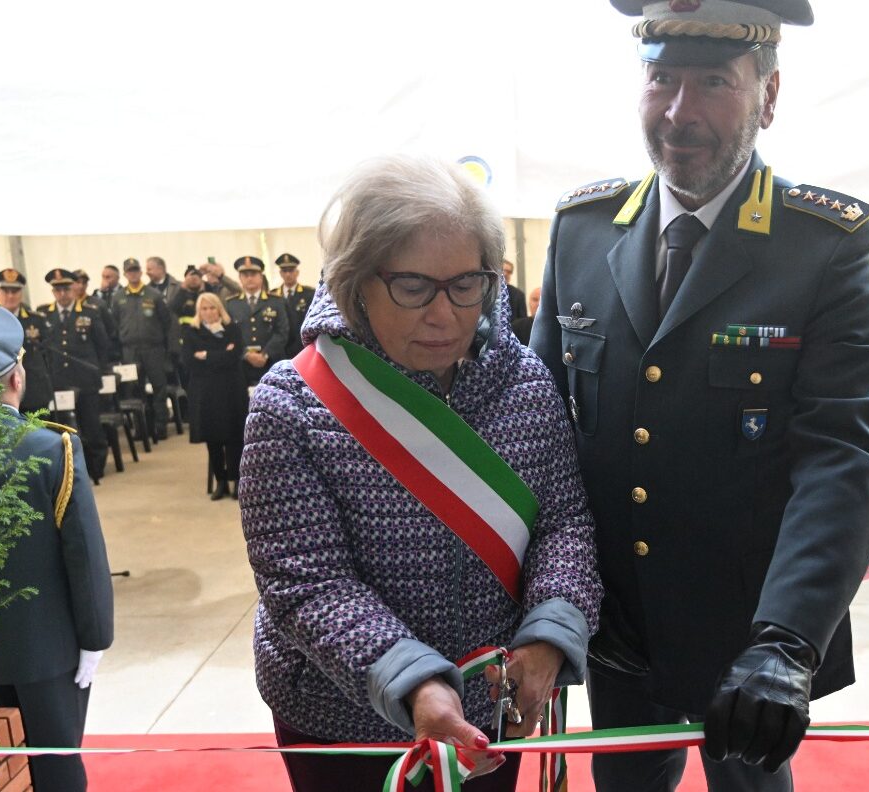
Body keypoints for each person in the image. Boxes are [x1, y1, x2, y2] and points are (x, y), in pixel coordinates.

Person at [530, 2, 869, 788]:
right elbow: (535, 430)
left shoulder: (822, 249)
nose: (679, 111)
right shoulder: (584, 230)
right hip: (616, 630)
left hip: (748, 643)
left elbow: (844, 457)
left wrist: (788, 641)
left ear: (768, 97)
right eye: (661, 77)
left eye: (713, 82)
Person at [239, 155, 601, 791]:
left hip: (490, 714)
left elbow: (564, 520)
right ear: (354, 282)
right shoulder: (292, 404)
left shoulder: (525, 381)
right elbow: (306, 579)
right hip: (342, 719)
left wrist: (550, 629)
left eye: (468, 284)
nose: (446, 315)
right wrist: (411, 680)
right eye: (413, 287)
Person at [0, 306, 114, 792]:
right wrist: (96, 637)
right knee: (57, 765)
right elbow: (83, 553)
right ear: (17, 377)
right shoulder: (48, 447)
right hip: (48, 648)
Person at [40, 268, 115, 483]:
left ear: (74, 288)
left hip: (85, 379)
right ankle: (68, 471)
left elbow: (103, 346)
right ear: (53, 292)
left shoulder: (89, 312)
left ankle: (95, 467)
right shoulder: (45, 314)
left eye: (66, 288)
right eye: (57, 289)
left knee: (91, 425)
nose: (62, 294)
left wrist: (96, 370)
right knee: (62, 427)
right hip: (59, 380)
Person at [183, 292, 247, 500]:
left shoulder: (232, 329)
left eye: (212, 308)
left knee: (234, 437)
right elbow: (190, 362)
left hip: (231, 391)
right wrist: (222, 354)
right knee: (213, 439)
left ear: (219, 309)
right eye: (204, 309)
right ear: (198, 312)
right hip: (206, 393)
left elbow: (235, 356)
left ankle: (237, 479)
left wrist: (206, 355)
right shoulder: (191, 332)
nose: (208, 312)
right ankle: (221, 481)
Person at [108, 257, 177, 440]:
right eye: (129, 271)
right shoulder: (118, 298)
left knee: (158, 388)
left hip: (153, 349)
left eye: (136, 270)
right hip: (130, 351)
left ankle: (160, 426)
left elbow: (167, 323)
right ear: (125, 274)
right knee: (135, 390)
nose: (133, 274)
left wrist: (168, 351)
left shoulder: (153, 295)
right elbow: (114, 325)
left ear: (140, 272)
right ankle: (141, 429)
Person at [0, 268, 55, 414]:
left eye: (15, 291)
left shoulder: (37, 320)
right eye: (5, 291)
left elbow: (49, 355)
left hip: (34, 392)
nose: (10, 295)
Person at [225, 257, 289, 387]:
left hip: (271, 363)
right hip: (242, 365)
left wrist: (265, 354)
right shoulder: (231, 304)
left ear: (261, 276)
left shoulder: (276, 301)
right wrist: (246, 354)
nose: (249, 278)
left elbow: (282, 331)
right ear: (240, 278)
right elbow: (229, 335)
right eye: (245, 275)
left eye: (253, 274)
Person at [271, 253, 316, 359]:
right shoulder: (273, 295)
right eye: (284, 271)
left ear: (297, 272)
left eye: (291, 270)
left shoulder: (309, 294)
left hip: (303, 349)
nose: (288, 274)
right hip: (280, 351)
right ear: (280, 273)